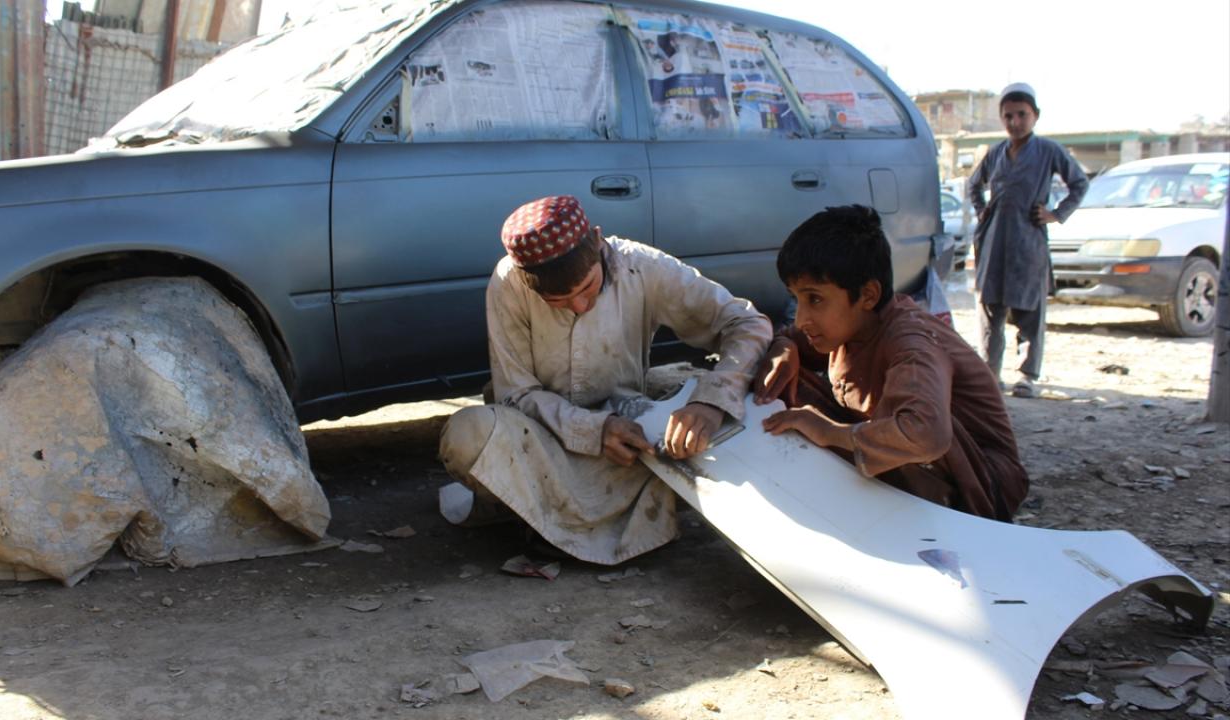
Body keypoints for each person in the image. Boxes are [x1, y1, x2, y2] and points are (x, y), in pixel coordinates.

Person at [438, 195, 772, 564]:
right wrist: (594, 430)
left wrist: (710, 400)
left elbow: (746, 323)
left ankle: (537, 514)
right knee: (466, 436)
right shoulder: (509, 282)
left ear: (597, 241)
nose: (580, 307)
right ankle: (558, 513)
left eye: (587, 288)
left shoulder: (642, 266)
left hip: (628, 442)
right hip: (545, 438)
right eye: (558, 301)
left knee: (686, 431)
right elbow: (517, 392)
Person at [753, 205, 1029, 521]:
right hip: (924, 462)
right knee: (782, 376)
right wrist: (785, 348)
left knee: (914, 423)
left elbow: (926, 434)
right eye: (796, 299)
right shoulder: (853, 324)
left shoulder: (912, 343)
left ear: (868, 295)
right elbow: (787, 337)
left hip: (983, 484)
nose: (801, 319)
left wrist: (829, 432)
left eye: (815, 299)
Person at [967, 82, 1088, 398]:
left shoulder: (1049, 151)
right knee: (990, 309)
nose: (1015, 122)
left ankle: (1026, 376)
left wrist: (1055, 213)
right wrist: (982, 211)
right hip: (994, 242)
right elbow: (973, 185)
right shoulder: (996, 153)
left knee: (1029, 311)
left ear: (1035, 116)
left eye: (1022, 115)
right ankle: (990, 374)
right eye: (1008, 116)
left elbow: (1079, 183)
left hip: (1028, 240)